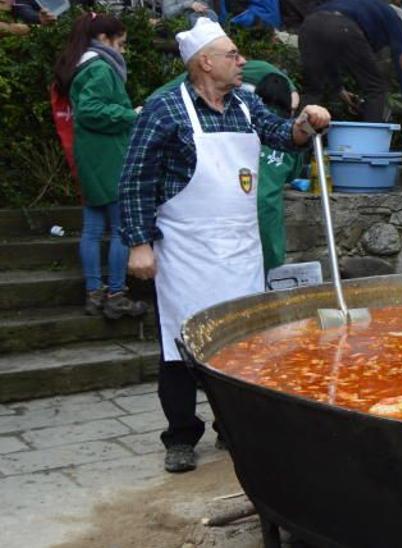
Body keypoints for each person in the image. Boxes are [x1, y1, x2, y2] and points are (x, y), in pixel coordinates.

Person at [118, 18, 331, 473]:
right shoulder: (164, 111)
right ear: (205, 62)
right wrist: (138, 244)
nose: (242, 62)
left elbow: (284, 137)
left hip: (240, 250)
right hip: (185, 252)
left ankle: (231, 426)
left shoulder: (246, 106)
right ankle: (180, 436)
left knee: (243, 346)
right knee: (180, 349)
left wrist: (308, 123)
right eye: (233, 55)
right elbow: (135, 180)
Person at [148, 61, 304, 273]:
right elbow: (292, 174)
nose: (239, 62)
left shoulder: (248, 124)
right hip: (263, 221)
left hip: (227, 226)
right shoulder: (280, 136)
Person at [52, 12, 148, 319]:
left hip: (90, 154)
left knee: (93, 228)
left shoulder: (82, 65)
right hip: (109, 154)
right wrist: (131, 114)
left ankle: (95, 295)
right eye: (121, 41)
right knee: (121, 228)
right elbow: (91, 110)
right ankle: (116, 294)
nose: (123, 48)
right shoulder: (101, 68)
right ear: (104, 39)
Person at [298, 0, 402, 132]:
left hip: (309, 25)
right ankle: (370, 142)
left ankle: (300, 141)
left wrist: (339, 89)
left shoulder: (361, 7)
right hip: (343, 26)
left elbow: (328, 55)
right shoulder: (394, 18)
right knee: (375, 88)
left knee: (313, 90)